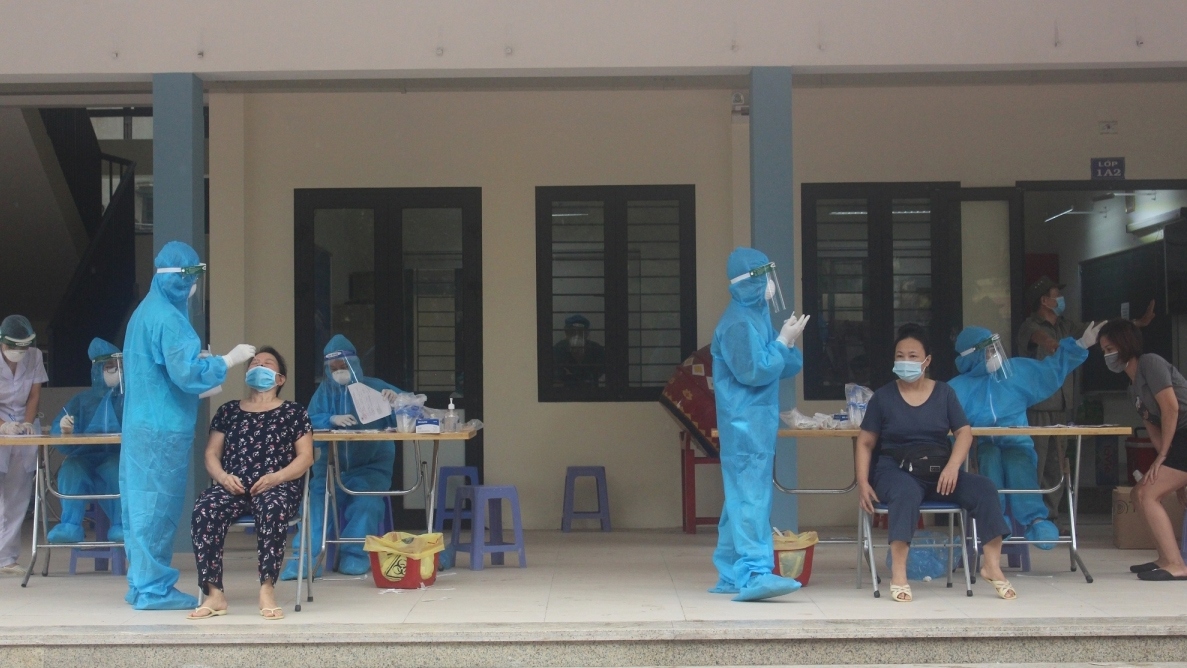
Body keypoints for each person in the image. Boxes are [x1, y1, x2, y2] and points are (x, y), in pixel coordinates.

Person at [121, 241, 257, 610]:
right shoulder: (168, 319)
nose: (194, 286)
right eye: (192, 277)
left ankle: (140, 583)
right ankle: (152, 590)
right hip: (160, 431)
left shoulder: (144, 313)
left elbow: (161, 372)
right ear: (183, 280)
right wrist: (227, 361)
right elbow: (186, 374)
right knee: (157, 509)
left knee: (140, 507)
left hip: (142, 425)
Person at [856, 324, 1016, 602]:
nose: (906, 362)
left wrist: (953, 466)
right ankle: (900, 574)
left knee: (984, 488)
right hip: (895, 472)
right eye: (900, 356)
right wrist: (862, 482)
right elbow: (865, 442)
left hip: (939, 472)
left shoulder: (944, 393)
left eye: (913, 356)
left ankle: (991, 565)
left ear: (927, 361)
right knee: (905, 493)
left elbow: (964, 433)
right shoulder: (883, 397)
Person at [709, 247, 809, 602]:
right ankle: (753, 573)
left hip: (755, 421)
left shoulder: (756, 315)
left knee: (739, 498)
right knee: (750, 498)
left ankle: (730, 571)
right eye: (764, 276)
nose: (770, 285)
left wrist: (787, 343)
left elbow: (780, 365)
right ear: (751, 280)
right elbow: (754, 371)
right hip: (744, 424)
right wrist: (782, 343)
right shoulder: (737, 322)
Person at [948, 323, 1101, 548]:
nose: (995, 355)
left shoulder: (1015, 373)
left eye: (995, 348)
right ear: (972, 355)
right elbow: (945, 421)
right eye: (989, 350)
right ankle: (996, 518)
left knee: (1018, 459)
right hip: (979, 448)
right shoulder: (956, 388)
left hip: (1016, 442)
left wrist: (1080, 345)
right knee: (989, 459)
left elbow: (1051, 370)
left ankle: (1036, 519)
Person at [188, 348, 313, 620]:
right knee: (204, 509)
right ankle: (214, 593)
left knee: (273, 508)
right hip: (232, 484)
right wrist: (222, 477)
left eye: (267, 364)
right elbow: (211, 454)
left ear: (280, 379)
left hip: (276, 484)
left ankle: (267, 588)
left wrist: (276, 477)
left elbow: (306, 457)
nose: (259, 366)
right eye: (254, 363)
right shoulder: (229, 410)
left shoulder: (294, 412)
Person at [1018, 276, 1154, 520]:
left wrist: (1136, 323)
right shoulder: (1029, 325)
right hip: (1038, 405)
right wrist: (1053, 345)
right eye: (1056, 294)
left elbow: (1103, 327)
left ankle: (1051, 518)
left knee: (1056, 465)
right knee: (1034, 463)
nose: (1061, 299)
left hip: (1063, 405)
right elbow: (1041, 338)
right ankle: (1030, 518)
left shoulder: (1066, 325)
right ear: (1044, 301)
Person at [281, 334, 402, 579]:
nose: (338, 372)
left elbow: (413, 411)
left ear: (355, 364)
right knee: (315, 506)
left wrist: (397, 400)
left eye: (343, 366)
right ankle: (304, 561)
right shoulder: (323, 393)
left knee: (366, 503)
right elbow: (305, 422)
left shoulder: (376, 387)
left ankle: (355, 556)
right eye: (333, 368)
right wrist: (329, 420)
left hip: (371, 467)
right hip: (329, 466)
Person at [1097, 319, 1187, 581]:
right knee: (1139, 493)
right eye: (1104, 351)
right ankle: (1165, 557)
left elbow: (1171, 409)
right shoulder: (1132, 388)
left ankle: (1176, 564)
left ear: (1125, 345)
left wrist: (1162, 458)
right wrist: (1172, 473)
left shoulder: (1150, 363)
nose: (1107, 355)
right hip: (1178, 440)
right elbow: (1154, 429)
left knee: (1148, 493)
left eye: (1110, 348)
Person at [47, 338, 125, 544]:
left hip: (114, 460)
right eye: (109, 367)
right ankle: (70, 526)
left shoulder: (128, 399)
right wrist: (64, 429)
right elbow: (58, 435)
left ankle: (121, 525)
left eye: (118, 367)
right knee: (72, 467)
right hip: (83, 459)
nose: (115, 371)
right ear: (97, 370)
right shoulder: (81, 401)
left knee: (115, 468)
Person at [0, 315, 46, 577]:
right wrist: (3, 426)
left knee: (17, 495)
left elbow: (35, 394)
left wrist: (28, 424)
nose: (19, 353)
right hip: (1, 426)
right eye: (14, 348)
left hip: (23, 429)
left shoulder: (35, 355)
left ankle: (7, 559)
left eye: (23, 348)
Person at [553, 314, 607, 387]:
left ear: (587, 333)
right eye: (572, 332)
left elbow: (602, 378)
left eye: (581, 332)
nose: (577, 336)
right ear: (566, 332)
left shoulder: (597, 350)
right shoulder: (558, 350)